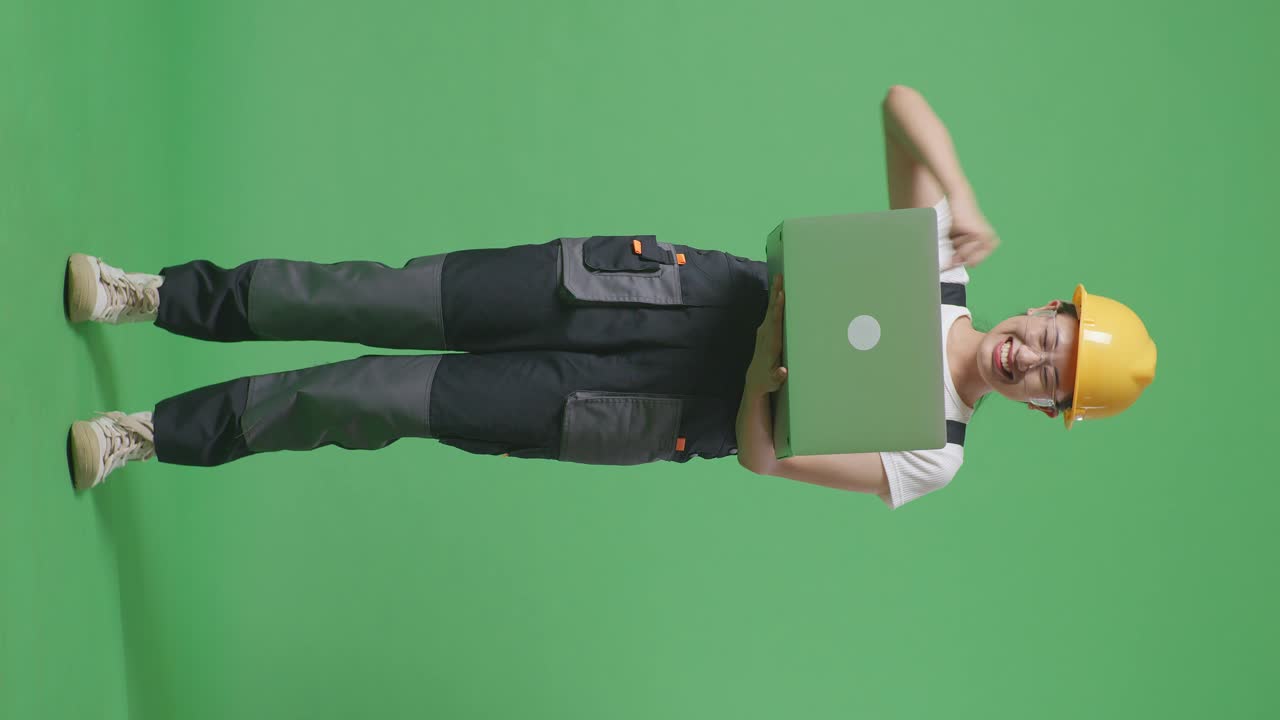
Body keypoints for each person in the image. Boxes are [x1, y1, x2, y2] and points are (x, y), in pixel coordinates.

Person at [63, 85, 1157, 509]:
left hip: (635, 413)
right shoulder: (937, 262)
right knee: (378, 297)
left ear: (1039, 409)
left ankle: (149, 435)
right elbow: (899, 104)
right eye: (1046, 337)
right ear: (1042, 311)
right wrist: (957, 186)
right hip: (621, 289)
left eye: (1047, 381)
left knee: (379, 399)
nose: (1027, 357)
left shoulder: (936, 451)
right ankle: (154, 297)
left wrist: (774, 347)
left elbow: (767, 453)